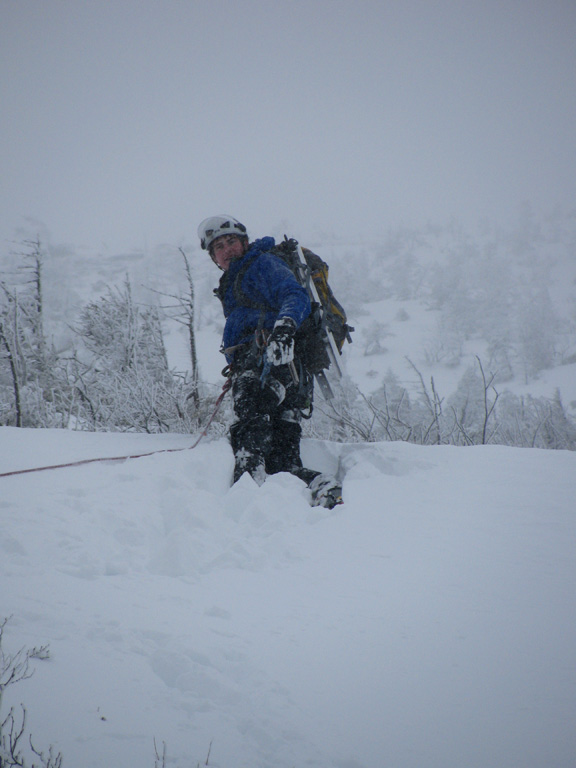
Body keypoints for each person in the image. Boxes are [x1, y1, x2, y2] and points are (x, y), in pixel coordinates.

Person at [198, 215, 342, 508]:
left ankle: (247, 493)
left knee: (250, 420)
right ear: (213, 257)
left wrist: (284, 331)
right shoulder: (237, 277)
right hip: (291, 374)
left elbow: (294, 294)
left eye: (231, 242)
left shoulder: (260, 264)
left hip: (269, 364)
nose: (226, 250)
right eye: (218, 247)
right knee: (282, 460)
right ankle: (320, 485)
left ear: (245, 242)